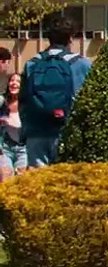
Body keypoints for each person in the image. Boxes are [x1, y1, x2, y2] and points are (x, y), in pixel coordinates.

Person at [21, 14, 92, 167]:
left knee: (38, 184)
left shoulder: (32, 64)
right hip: (66, 133)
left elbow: (23, 102)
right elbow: (89, 103)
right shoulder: (81, 64)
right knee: (66, 184)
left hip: (36, 132)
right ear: (70, 38)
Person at [0, 74, 27, 182]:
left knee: (23, 181)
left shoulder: (28, 104)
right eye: (11, 80)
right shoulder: (3, 101)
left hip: (24, 149)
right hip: (5, 147)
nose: (14, 83)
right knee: (6, 178)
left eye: (18, 81)